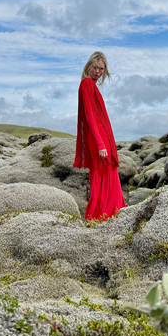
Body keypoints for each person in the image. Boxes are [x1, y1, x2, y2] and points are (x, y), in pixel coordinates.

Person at [73, 51, 125, 220]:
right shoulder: (87, 83)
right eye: (95, 67)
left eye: (101, 69)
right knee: (102, 177)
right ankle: (103, 214)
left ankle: (108, 214)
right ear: (88, 66)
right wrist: (101, 144)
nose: (98, 71)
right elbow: (89, 116)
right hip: (98, 140)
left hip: (101, 139)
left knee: (108, 176)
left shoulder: (91, 85)